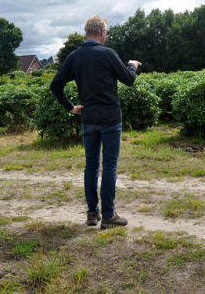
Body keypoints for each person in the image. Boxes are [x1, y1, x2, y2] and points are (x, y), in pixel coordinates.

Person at [50, 15, 141, 229]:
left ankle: (92, 214)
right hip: (110, 118)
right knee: (109, 166)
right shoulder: (108, 54)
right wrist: (132, 65)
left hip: (88, 118)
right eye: (106, 32)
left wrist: (71, 107)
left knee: (91, 166)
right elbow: (129, 80)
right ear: (101, 32)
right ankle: (109, 216)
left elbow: (56, 85)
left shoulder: (75, 56)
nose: (106, 36)